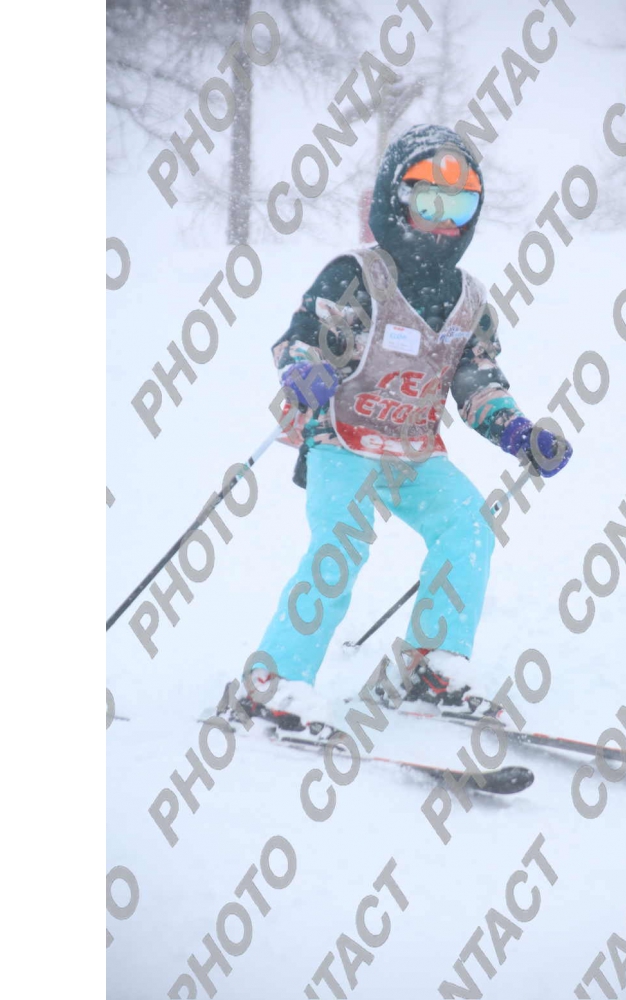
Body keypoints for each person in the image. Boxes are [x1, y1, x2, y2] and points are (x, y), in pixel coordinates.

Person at [245, 124, 572, 732]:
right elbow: (301, 339)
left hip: (415, 451)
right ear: (396, 202)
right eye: (429, 202)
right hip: (343, 440)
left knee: (469, 524)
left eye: (459, 207)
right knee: (341, 545)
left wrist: (519, 433)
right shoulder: (358, 276)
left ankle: (432, 666)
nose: (443, 223)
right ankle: (276, 680)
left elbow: (476, 382)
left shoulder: (469, 300)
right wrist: (303, 373)